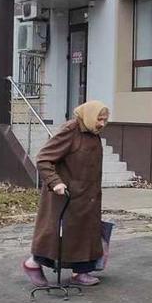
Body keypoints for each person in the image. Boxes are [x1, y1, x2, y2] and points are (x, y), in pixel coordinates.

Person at [23, 101, 110, 288]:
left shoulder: (92, 133)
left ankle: (80, 272)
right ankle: (33, 264)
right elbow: (44, 159)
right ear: (89, 116)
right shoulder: (70, 131)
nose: (102, 123)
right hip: (66, 196)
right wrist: (55, 182)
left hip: (87, 197)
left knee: (84, 234)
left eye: (105, 119)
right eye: (99, 119)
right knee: (55, 236)